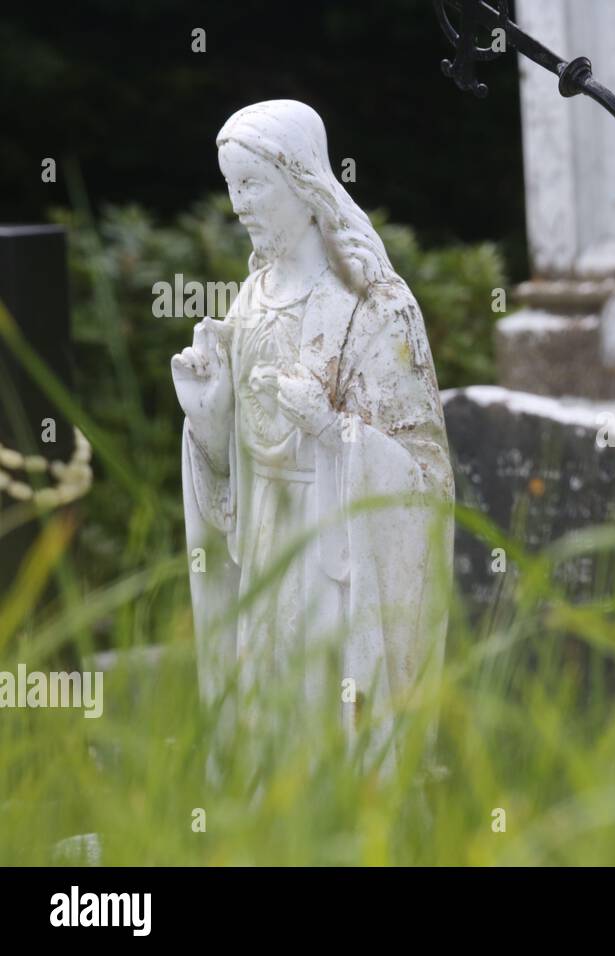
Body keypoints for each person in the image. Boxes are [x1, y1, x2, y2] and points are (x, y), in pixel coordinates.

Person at [172, 100, 454, 772]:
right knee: (269, 730)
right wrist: (209, 421)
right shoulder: (249, 301)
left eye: (254, 185)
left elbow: (425, 472)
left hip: (340, 553)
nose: (239, 205)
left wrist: (332, 430)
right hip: (268, 543)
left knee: (333, 728)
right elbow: (232, 475)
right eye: (231, 186)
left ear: (302, 182)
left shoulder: (374, 302)